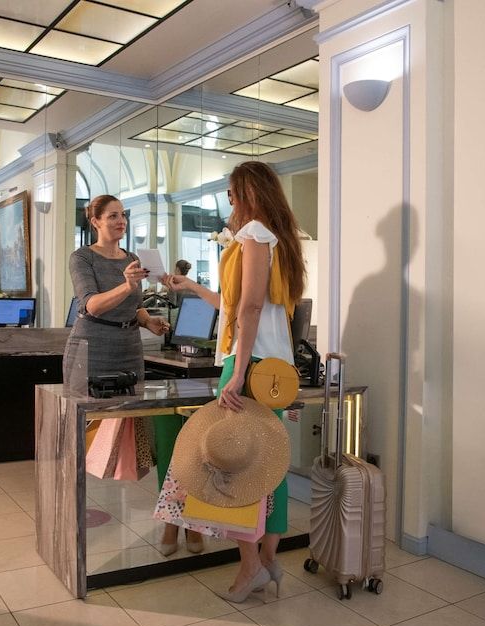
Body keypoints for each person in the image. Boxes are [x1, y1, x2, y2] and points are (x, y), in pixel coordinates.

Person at [164, 161, 306, 602]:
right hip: (274, 369)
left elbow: (250, 309)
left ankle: (250, 569)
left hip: (249, 363)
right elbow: (232, 302)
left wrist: (238, 371)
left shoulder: (253, 234)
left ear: (248, 193)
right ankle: (268, 560)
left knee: (234, 466)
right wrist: (192, 287)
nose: (228, 200)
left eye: (231, 192)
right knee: (269, 462)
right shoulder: (277, 239)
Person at [64, 194, 170, 381]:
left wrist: (148, 322)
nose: (121, 221)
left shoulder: (132, 259)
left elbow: (136, 307)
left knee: (134, 400)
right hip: (92, 349)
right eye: (113, 216)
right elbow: (92, 306)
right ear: (96, 222)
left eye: (123, 215)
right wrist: (127, 286)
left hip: (130, 349)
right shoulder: (82, 257)